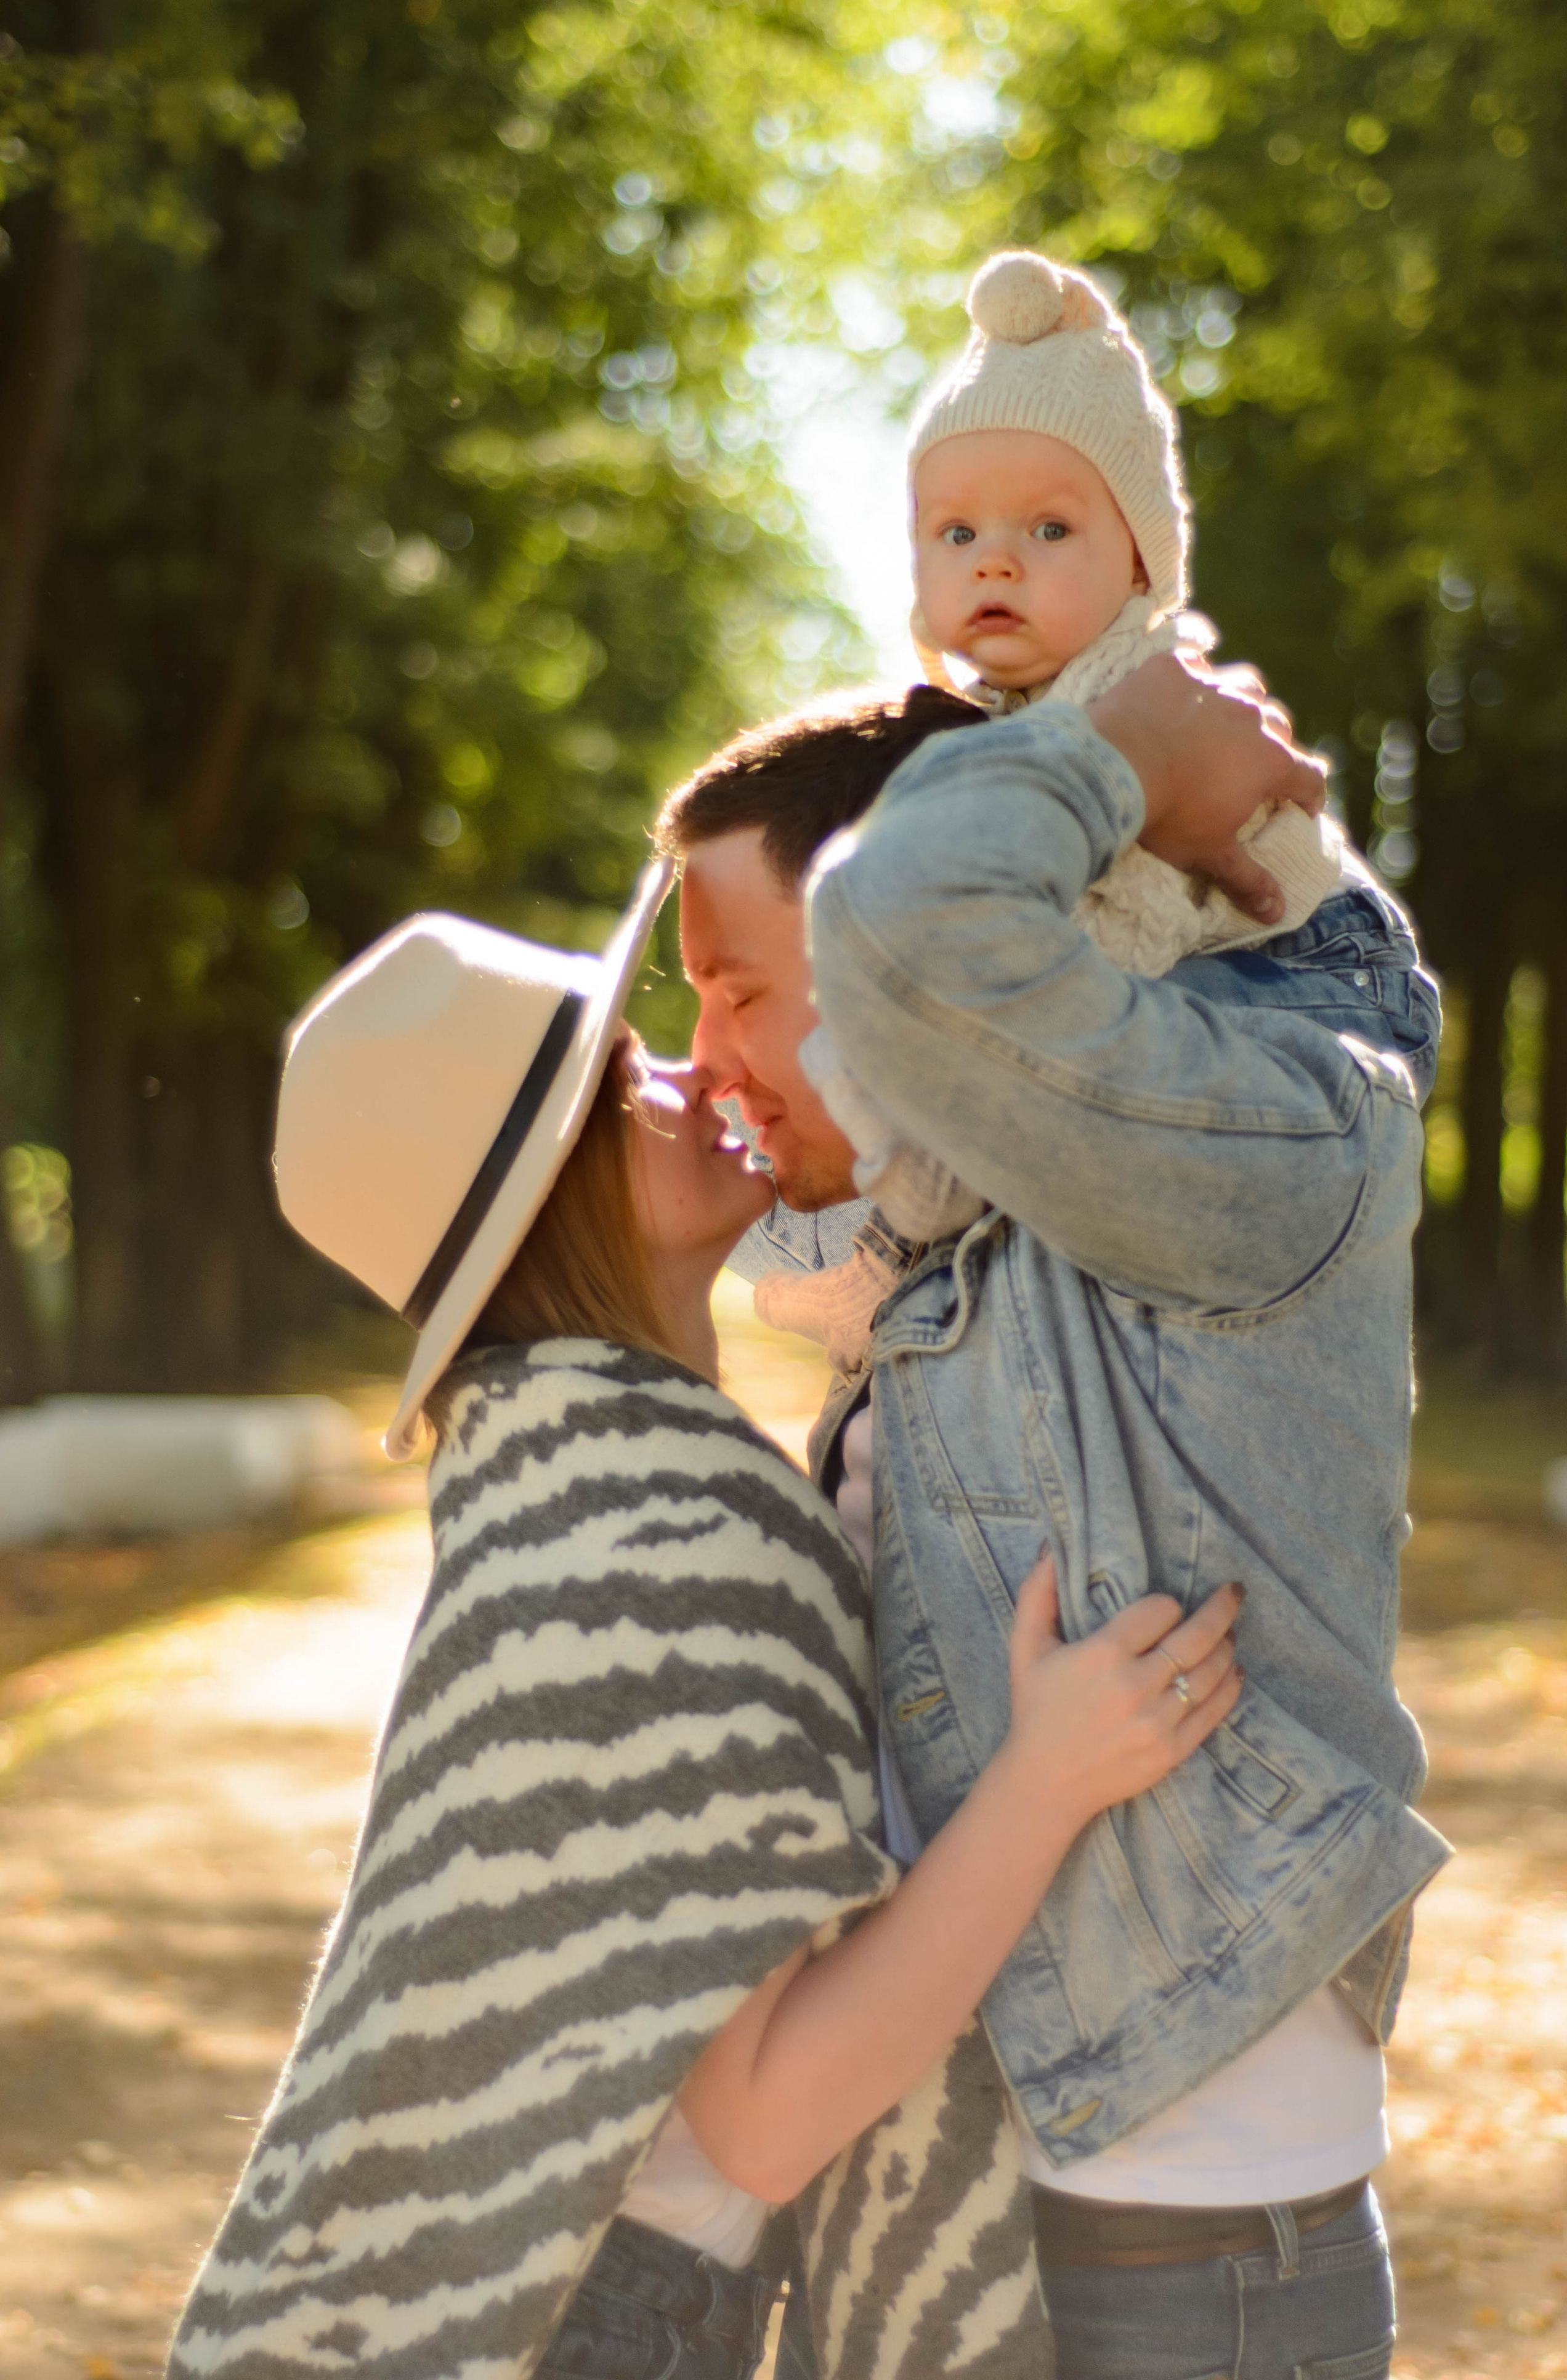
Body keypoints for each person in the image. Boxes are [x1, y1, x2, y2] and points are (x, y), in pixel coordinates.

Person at [164, 868, 1242, 2380]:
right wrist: (1047, 1779)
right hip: (563, 2330)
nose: (692, 1073)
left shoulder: (564, 1484)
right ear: (552, 1187)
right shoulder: (649, 1525)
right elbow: (766, 2116)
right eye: (626, 1079)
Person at [658, 647, 1449, 2379]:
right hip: (951, 2242)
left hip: (1171, 2259)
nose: (700, 1051)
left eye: (731, 986)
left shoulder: (1265, 1140)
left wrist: (1114, 748)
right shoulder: (947, 1238)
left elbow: (909, 929)